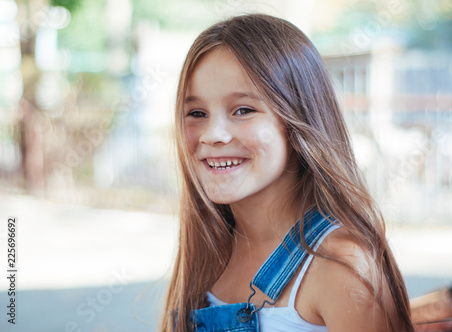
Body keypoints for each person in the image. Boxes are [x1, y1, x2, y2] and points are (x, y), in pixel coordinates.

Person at [162, 13, 414, 332]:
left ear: (297, 122)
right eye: (197, 113)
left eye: (243, 110)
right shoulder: (210, 249)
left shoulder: (342, 266)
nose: (212, 134)